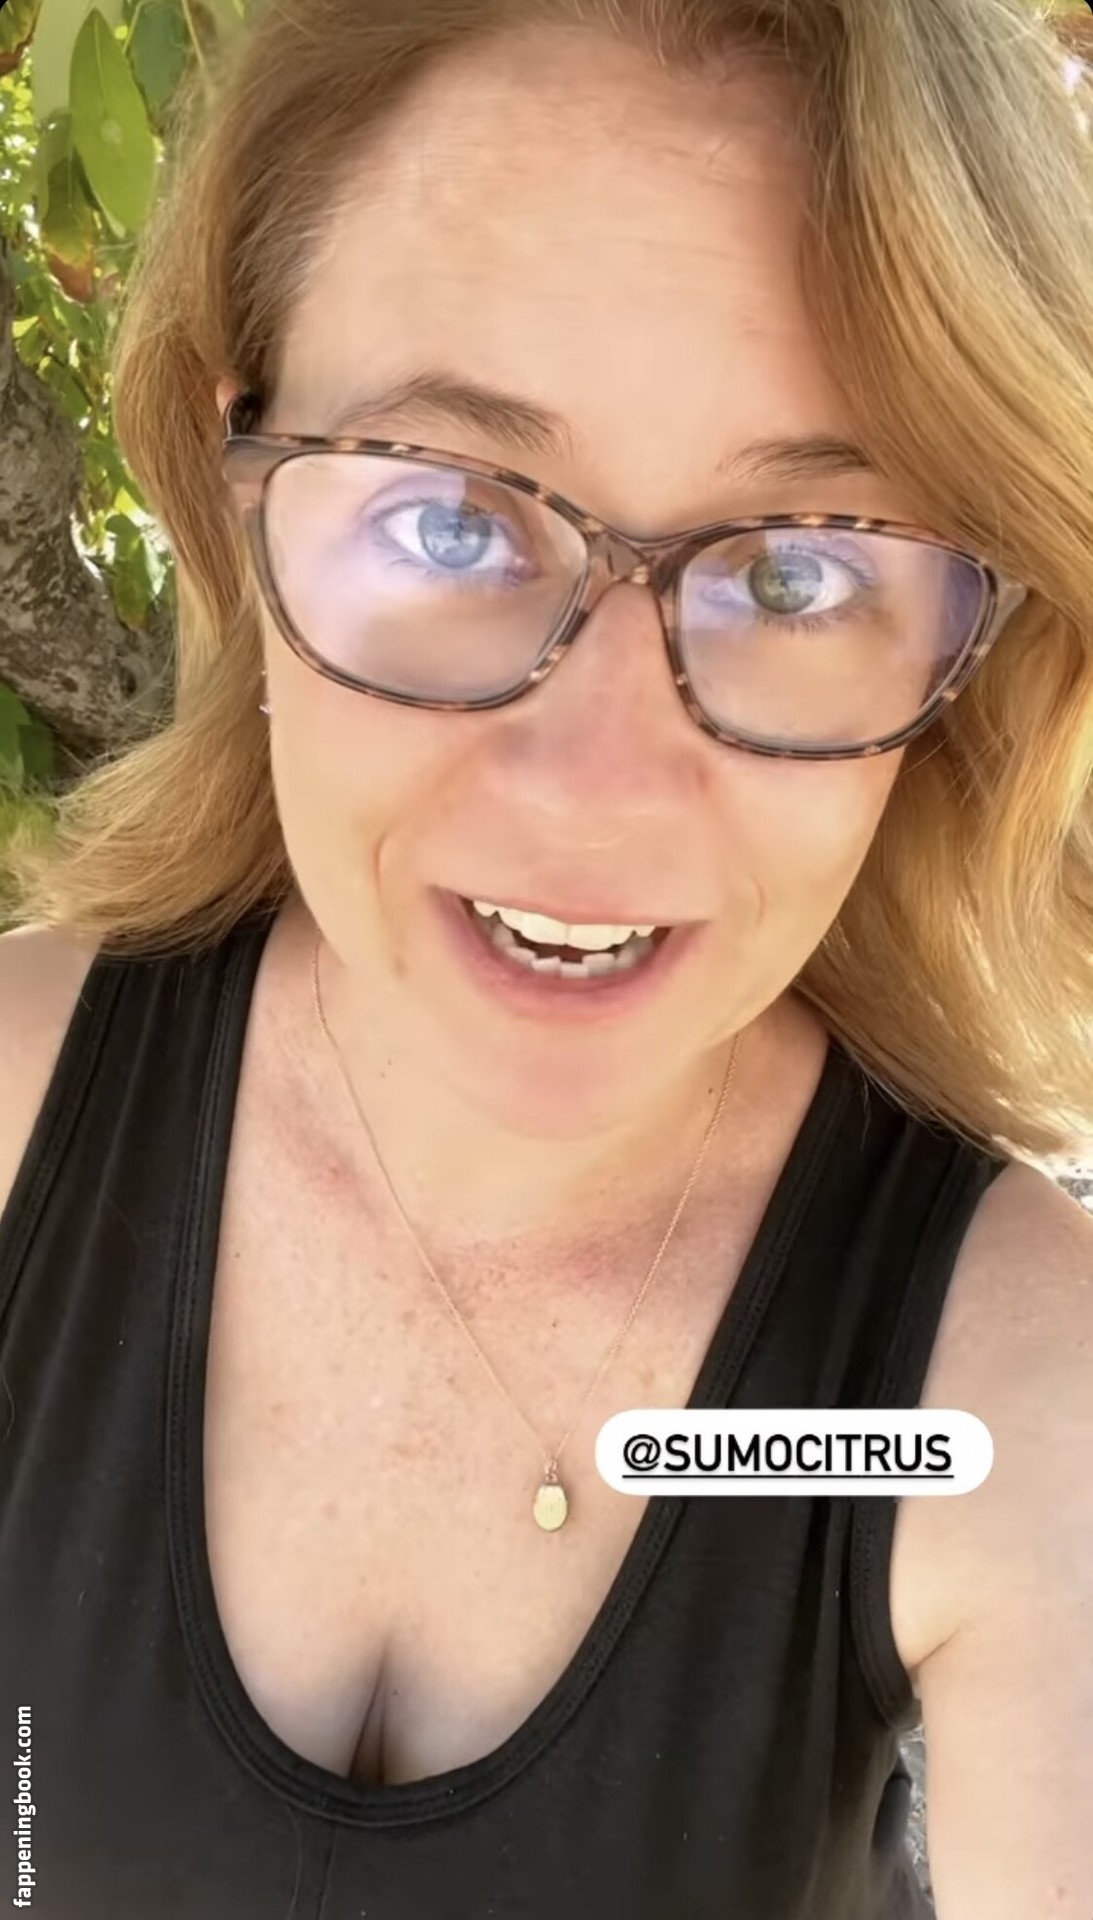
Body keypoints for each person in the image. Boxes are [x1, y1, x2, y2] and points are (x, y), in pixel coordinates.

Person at [0, 0, 1091, 1913]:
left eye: (797, 571)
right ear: (237, 490)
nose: (592, 791)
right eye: (447, 518)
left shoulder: (998, 1402)